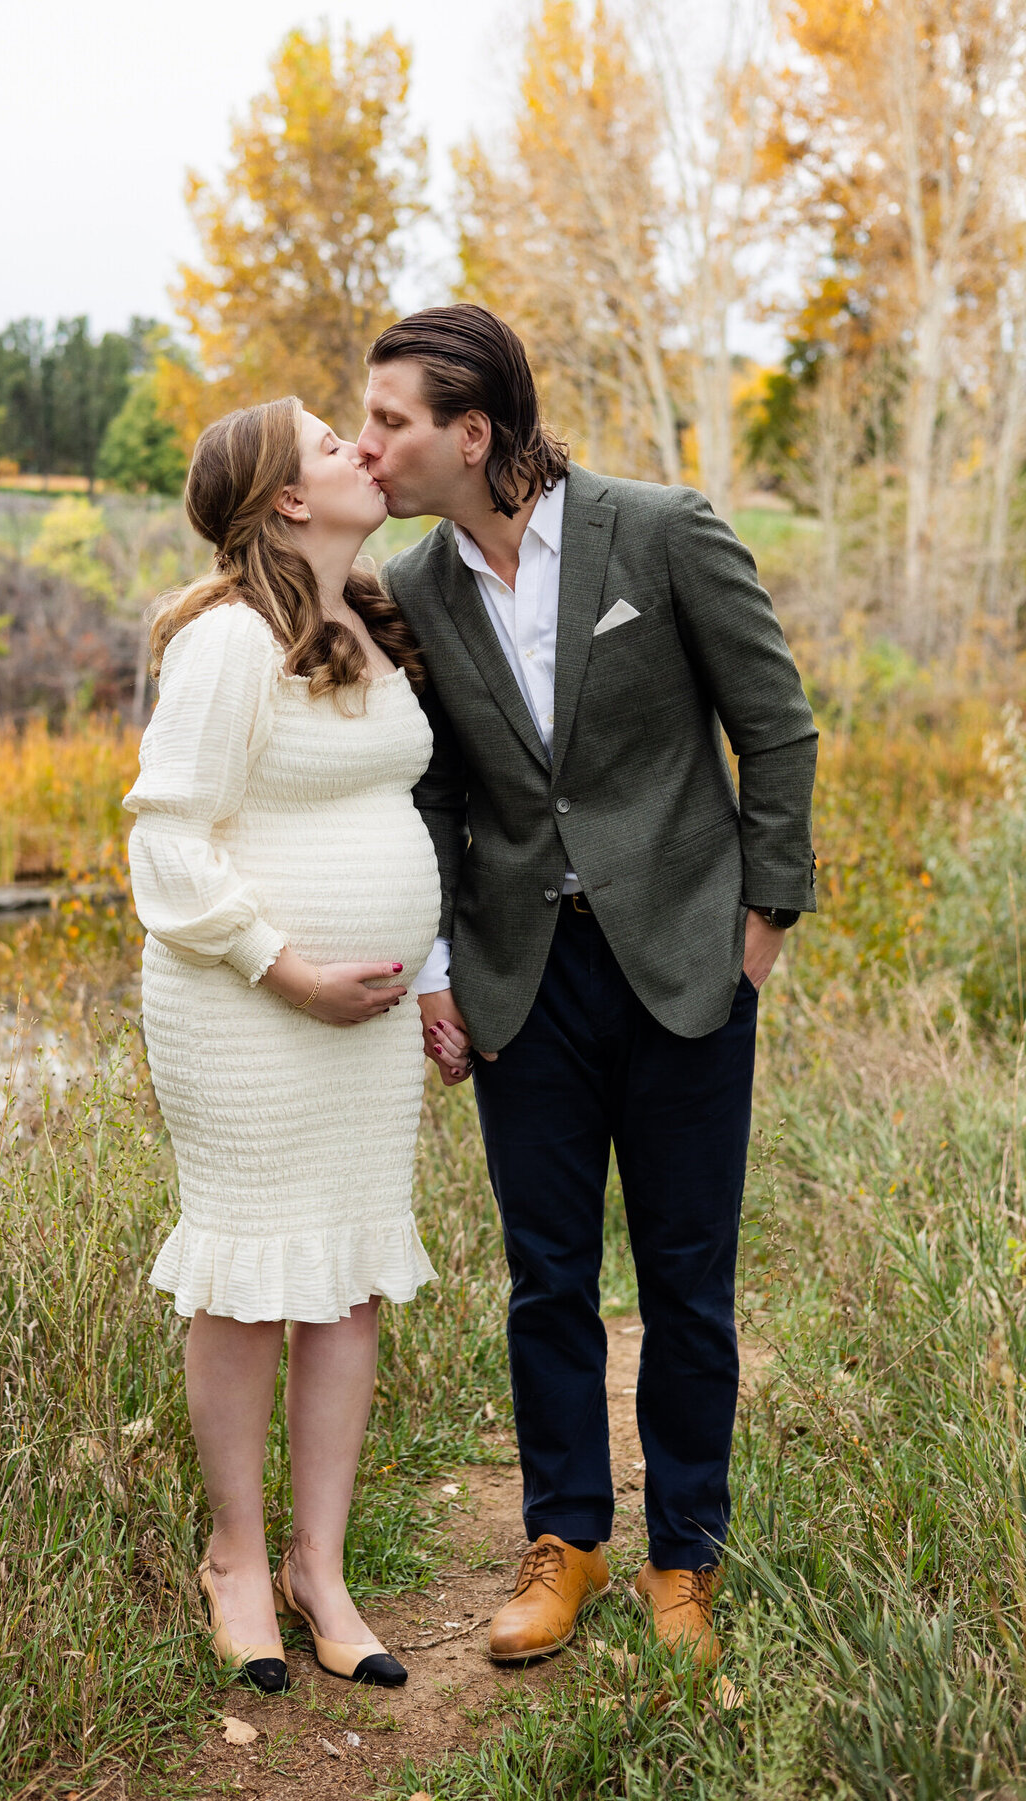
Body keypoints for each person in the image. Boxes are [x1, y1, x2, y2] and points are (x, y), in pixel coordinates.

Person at [357, 304, 817, 1684]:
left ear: (472, 433)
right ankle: (566, 1539)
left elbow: (773, 723)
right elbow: (439, 793)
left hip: (686, 962)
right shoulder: (415, 584)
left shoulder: (661, 531)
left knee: (687, 1278)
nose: (368, 444)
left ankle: (685, 1553)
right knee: (546, 1277)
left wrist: (763, 922)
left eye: (389, 421)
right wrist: (440, 970)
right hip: (521, 980)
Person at [123, 396, 446, 1693]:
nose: (360, 449)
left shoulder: (366, 618)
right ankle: (237, 1560)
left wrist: (425, 974)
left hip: (365, 1023)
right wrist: (289, 967)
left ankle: (322, 1567)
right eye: (329, 444)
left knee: (347, 1276)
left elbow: (392, 819)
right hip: (245, 1007)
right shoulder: (225, 640)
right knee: (251, 1277)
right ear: (287, 501)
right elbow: (167, 840)